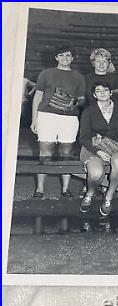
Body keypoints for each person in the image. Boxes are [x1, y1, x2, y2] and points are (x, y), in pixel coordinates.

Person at [30, 45, 86, 199]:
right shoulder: (46, 73)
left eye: (68, 55)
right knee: (45, 152)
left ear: (72, 58)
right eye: (61, 55)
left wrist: (73, 103)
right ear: (56, 57)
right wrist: (34, 119)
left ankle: (65, 189)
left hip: (69, 117)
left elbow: (81, 99)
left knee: (66, 153)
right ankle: (40, 190)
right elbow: (38, 96)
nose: (65, 58)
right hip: (47, 115)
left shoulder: (78, 76)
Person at [79, 82, 118, 216]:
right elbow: (83, 137)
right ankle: (90, 192)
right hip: (92, 147)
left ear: (111, 92)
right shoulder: (88, 111)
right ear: (94, 95)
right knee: (95, 174)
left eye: (105, 90)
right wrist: (98, 152)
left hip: (114, 147)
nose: (102, 93)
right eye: (98, 91)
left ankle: (109, 197)